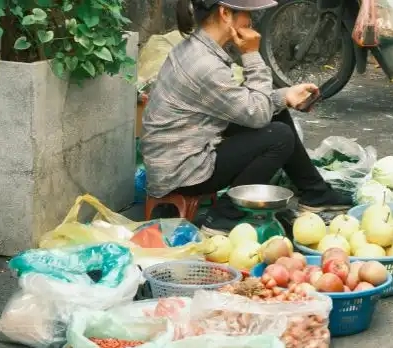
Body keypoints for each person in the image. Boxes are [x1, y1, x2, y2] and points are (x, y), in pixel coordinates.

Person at [141, 0, 353, 235]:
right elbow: (258, 114)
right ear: (225, 13)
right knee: (278, 136)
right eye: (246, 14)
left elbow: (243, 104)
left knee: (277, 113)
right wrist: (251, 54)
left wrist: (285, 96)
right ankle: (222, 218)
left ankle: (316, 193)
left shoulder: (195, 49)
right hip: (183, 172)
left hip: (181, 155)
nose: (251, 22)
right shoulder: (205, 65)